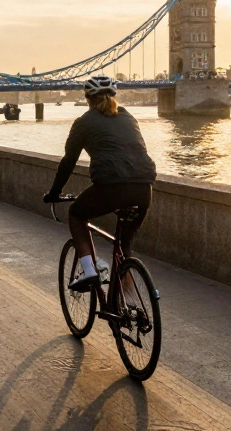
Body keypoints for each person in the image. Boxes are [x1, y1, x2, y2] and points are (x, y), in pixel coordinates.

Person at [43, 75, 156, 292]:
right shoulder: (129, 117)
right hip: (144, 189)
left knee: (77, 214)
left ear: (88, 99)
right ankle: (121, 300)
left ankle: (88, 270)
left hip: (111, 187)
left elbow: (68, 162)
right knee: (124, 243)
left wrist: (54, 193)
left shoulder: (83, 122)